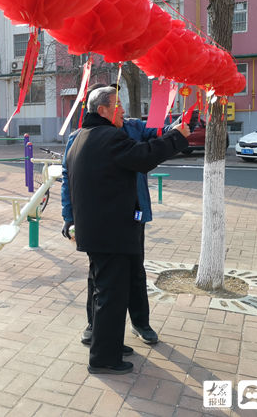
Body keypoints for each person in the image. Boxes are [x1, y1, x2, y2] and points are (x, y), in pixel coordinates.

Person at [66, 86, 189, 375]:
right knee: (110, 295)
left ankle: (108, 344)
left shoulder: (85, 137)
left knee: (106, 292)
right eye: (116, 105)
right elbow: (144, 156)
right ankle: (104, 359)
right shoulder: (108, 137)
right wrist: (177, 138)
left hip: (98, 231)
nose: (122, 110)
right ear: (102, 111)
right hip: (110, 233)